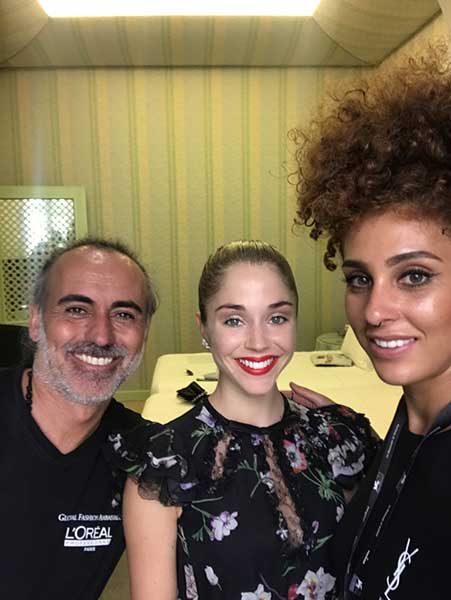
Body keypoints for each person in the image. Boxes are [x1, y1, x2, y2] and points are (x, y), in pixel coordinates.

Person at [110, 240, 379, 599]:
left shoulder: (335, 437)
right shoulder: (165, 463)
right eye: (234, 320)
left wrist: (343, 426)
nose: (258, 342)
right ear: (204, 328)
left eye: (277, 318)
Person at [291, 41, 451, 599]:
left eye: (414, 275)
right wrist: (357, 438)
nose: (375, 311)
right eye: (360, 279)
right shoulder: (410, 423)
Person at [0, 237, 159, 599]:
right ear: (36, 320)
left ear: (145, 333)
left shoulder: (144, 454)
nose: (101, 336)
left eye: (124, 315)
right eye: (76, 309)